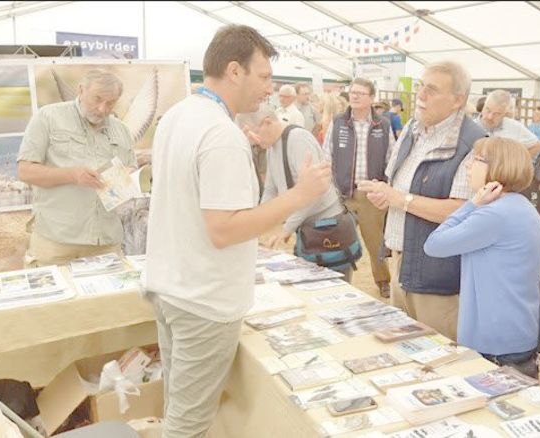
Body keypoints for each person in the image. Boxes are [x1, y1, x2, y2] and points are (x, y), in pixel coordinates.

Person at [143, 25, 331, 437]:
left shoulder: (178, 115)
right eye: (263, 77)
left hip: (174, 286)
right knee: (188, 425)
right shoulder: (221, 134)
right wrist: (300, 195)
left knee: (180, 408)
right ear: (234, 71)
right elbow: (224, 230)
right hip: (203, 301)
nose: (269, 88)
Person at [357, 61, 486, 341]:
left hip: (437, 277)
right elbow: (399, 189)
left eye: (432, 89)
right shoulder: (411, 130)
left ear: (457, 100)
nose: (421, 96)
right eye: (420, 87)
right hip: (401, 263)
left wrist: (399, 198)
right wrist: (386, 195)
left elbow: (462, 210)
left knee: (437, 356)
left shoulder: (472, 143)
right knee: (404, 349)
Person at [424, 137, 540, 378]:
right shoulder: (519, 206)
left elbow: (434, 244)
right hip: (518, 328)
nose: (468, 167)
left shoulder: (494, 214)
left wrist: (472, 204)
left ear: (497, 166)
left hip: (497, 340)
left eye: (476, 160)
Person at [17, 69, 137, 267]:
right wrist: (72, 175)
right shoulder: (48, 117)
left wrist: (130, 179)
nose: (102, 109)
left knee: (109, 300)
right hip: (56, 242)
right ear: (81, 90)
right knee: (55, 299)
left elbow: (128, 175)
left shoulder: (122, 131)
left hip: (106, 243)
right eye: (97, 99)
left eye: (110, 103)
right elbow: (25, 171)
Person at [239, 106, 354, 281]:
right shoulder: (272, 146)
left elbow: (313, 193)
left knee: (333, 283)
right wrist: (257, 222)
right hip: (308, 230)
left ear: (267, 123)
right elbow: (271, 189)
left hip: (327, 230)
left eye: (254, 133)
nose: (253, 141)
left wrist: (285, 230)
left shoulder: (298, 140)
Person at [322, 78, 394, 298]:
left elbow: (391, 157)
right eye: (352, 92)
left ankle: (382, 280)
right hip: (342, 193)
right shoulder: (339, 122)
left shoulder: (383, 125)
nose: (354, 96)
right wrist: (329, 187)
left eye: (360, 93)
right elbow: (327, 154)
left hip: (371, 195)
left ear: (371, 98)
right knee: (339, 239)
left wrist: (384, 186)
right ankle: (336, 279)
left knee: (375, 242)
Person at [478, 89, 540, 157]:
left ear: (505, 113)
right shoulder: (470, 127)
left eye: (497, 114)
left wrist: (517, 164)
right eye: (488, 110)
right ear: (483, 106)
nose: (490, 117)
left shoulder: (514, 127)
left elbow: (537, 146)